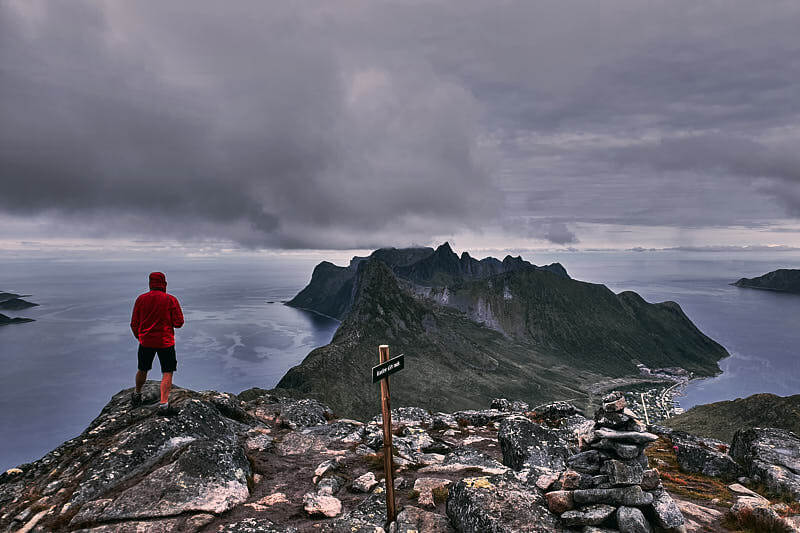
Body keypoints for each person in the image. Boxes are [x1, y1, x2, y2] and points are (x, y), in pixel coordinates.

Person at [130, 272, 184, 415]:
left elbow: (134, 323)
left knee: (143, 368)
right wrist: (168, 321)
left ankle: (137, 395)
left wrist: (140, 337)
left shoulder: (141, 299)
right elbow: (179, 323)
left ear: (150, 283)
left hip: (146, 341)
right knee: (167, 371)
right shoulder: (171, 300)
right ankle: (164, 404)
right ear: (164, 283)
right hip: (165, 342)